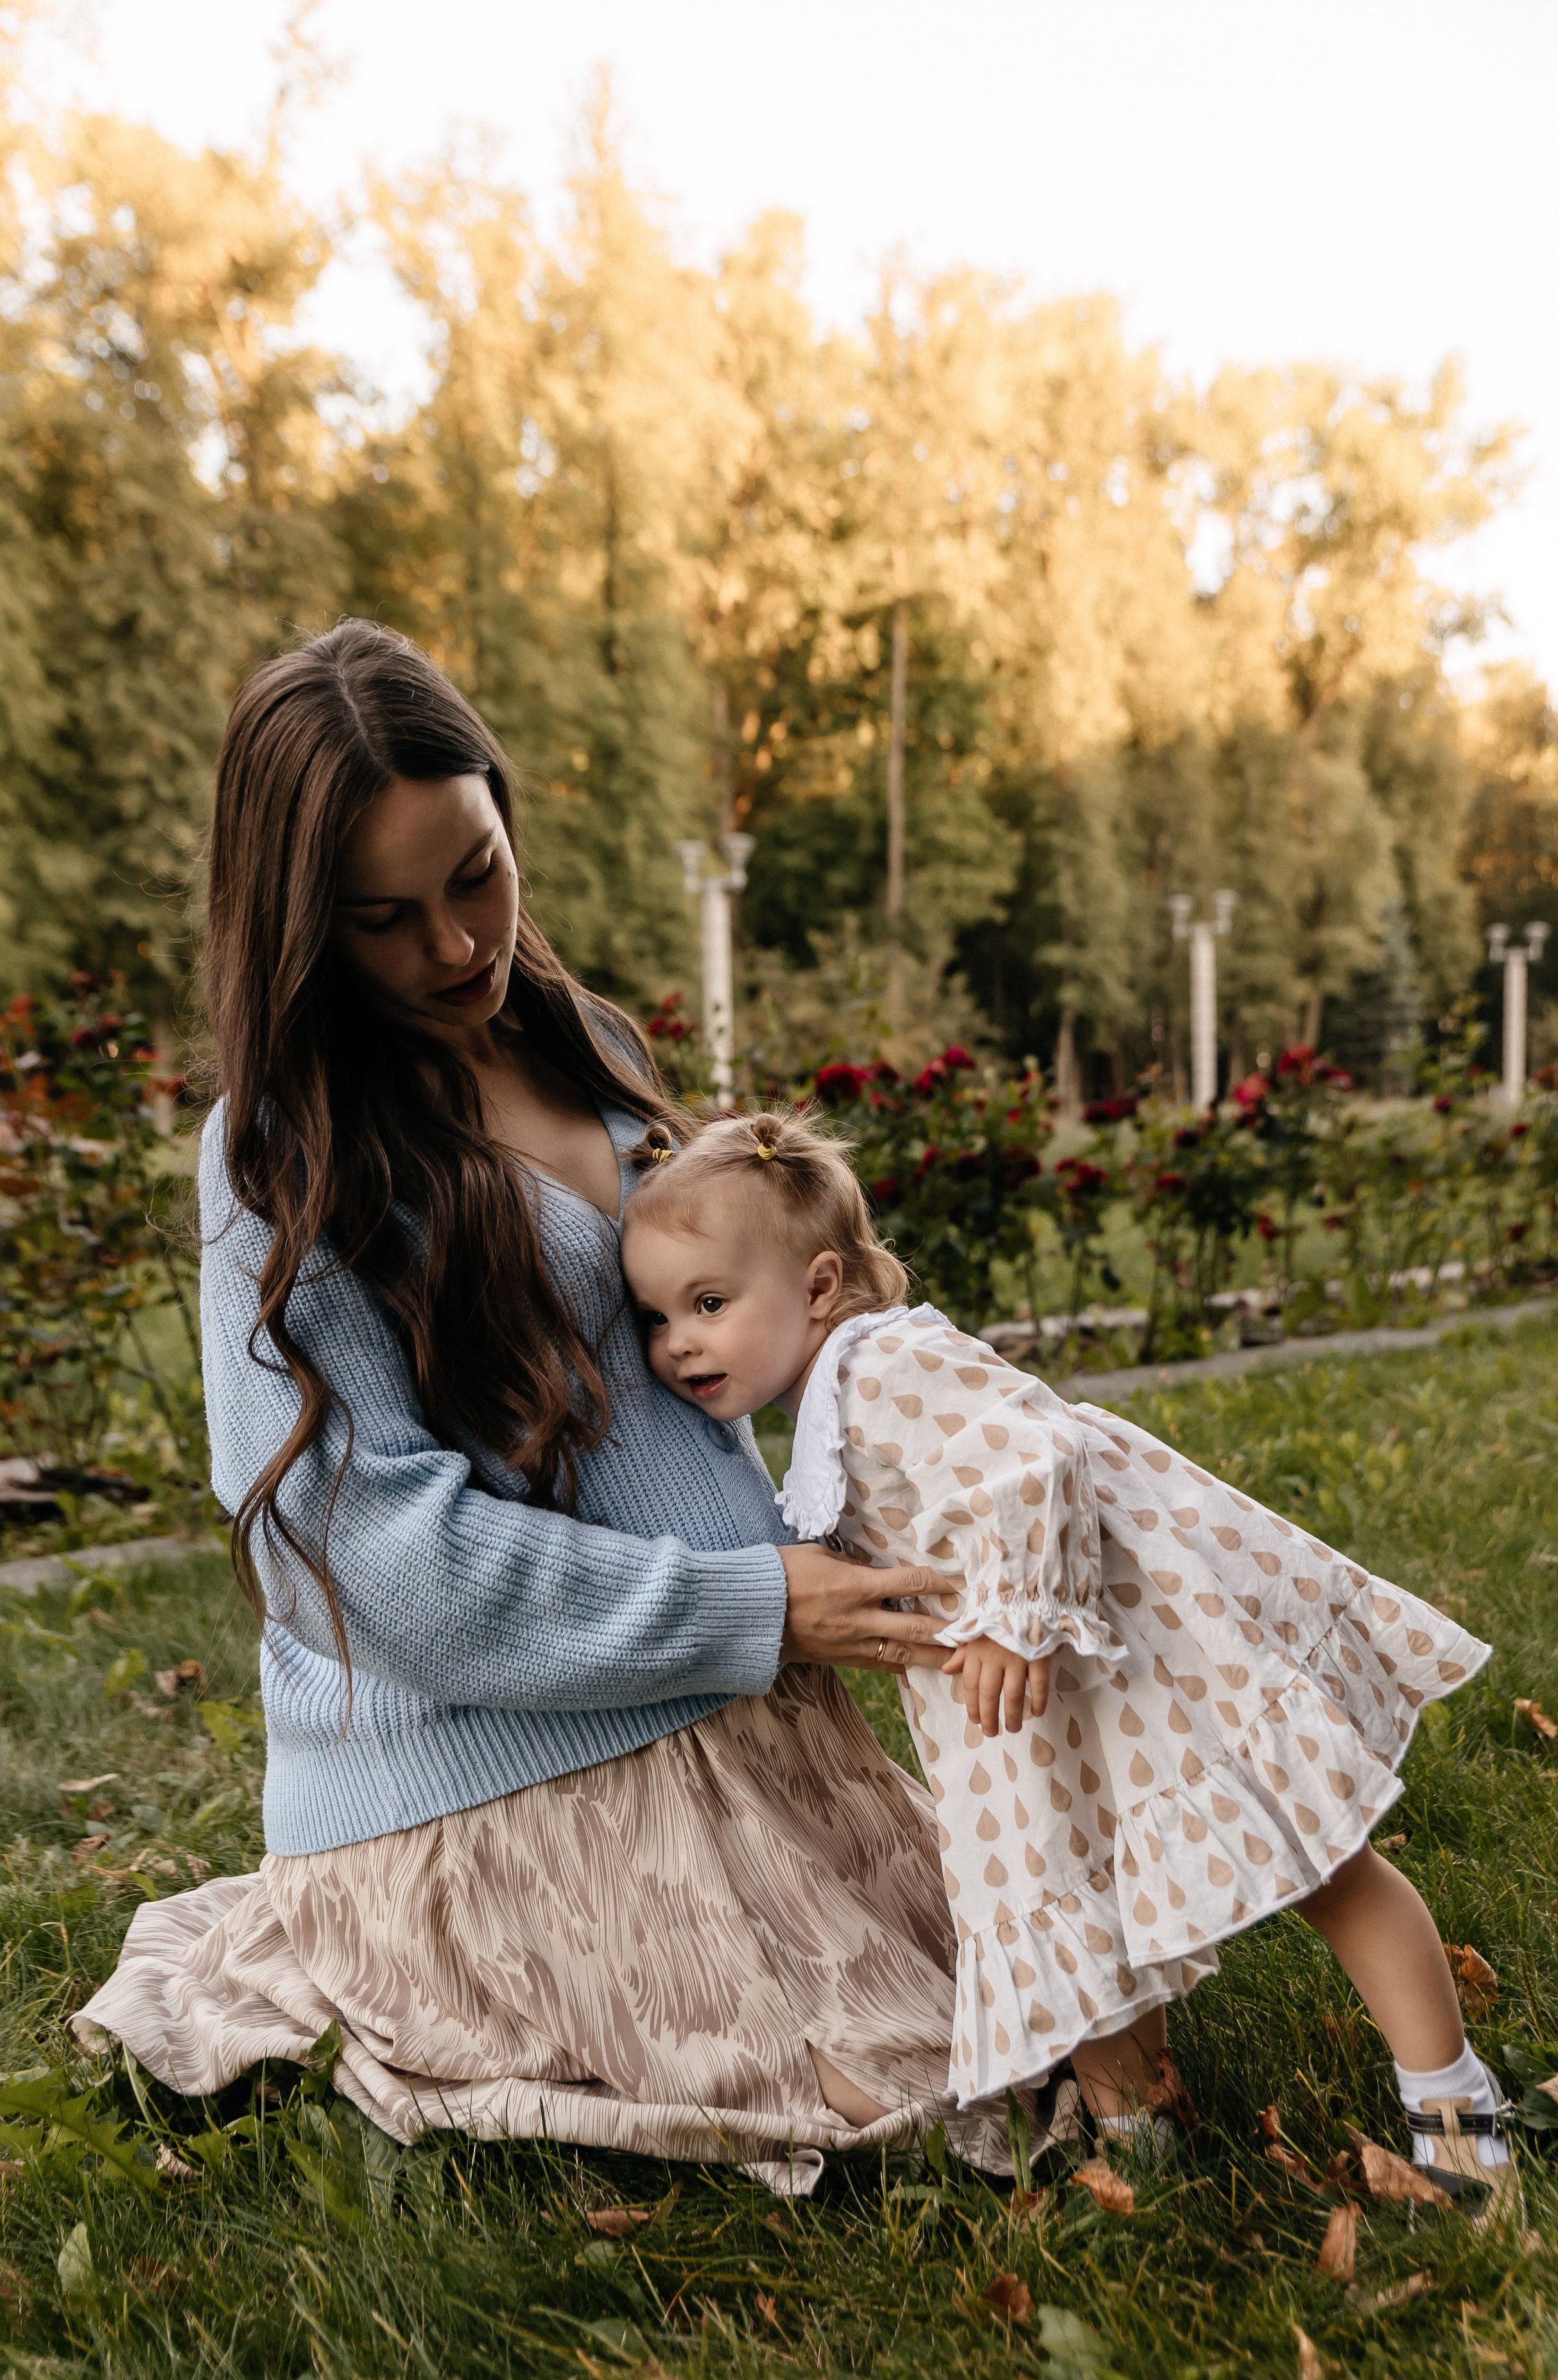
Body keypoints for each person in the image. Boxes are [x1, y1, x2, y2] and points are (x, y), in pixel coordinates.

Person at [73, 618, 1048, 2191]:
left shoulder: (584, 1041)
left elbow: (700, 1369)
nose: (455, 944)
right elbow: (377, 1564)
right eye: (384, 919)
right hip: (488, 1770)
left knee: (1041, 2004)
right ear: (302, 924)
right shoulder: (280, 1157)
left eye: (477, 871)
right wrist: (749, 1608)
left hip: (734, 1707)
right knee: (888, 2089)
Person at [620, 1107, 1518, 2206]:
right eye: (658, 1318)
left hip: (1128, 1669)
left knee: (1322, 1866)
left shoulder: (886, 1367)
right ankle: (1150, 2161)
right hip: (1029, 1722)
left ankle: (1455, 2102)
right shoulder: (817, 1407)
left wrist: (1008, 1614)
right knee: (1071, 1926)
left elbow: (1035, 1458)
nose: (679, 1343)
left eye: (708, 1304)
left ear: (817, 1288)